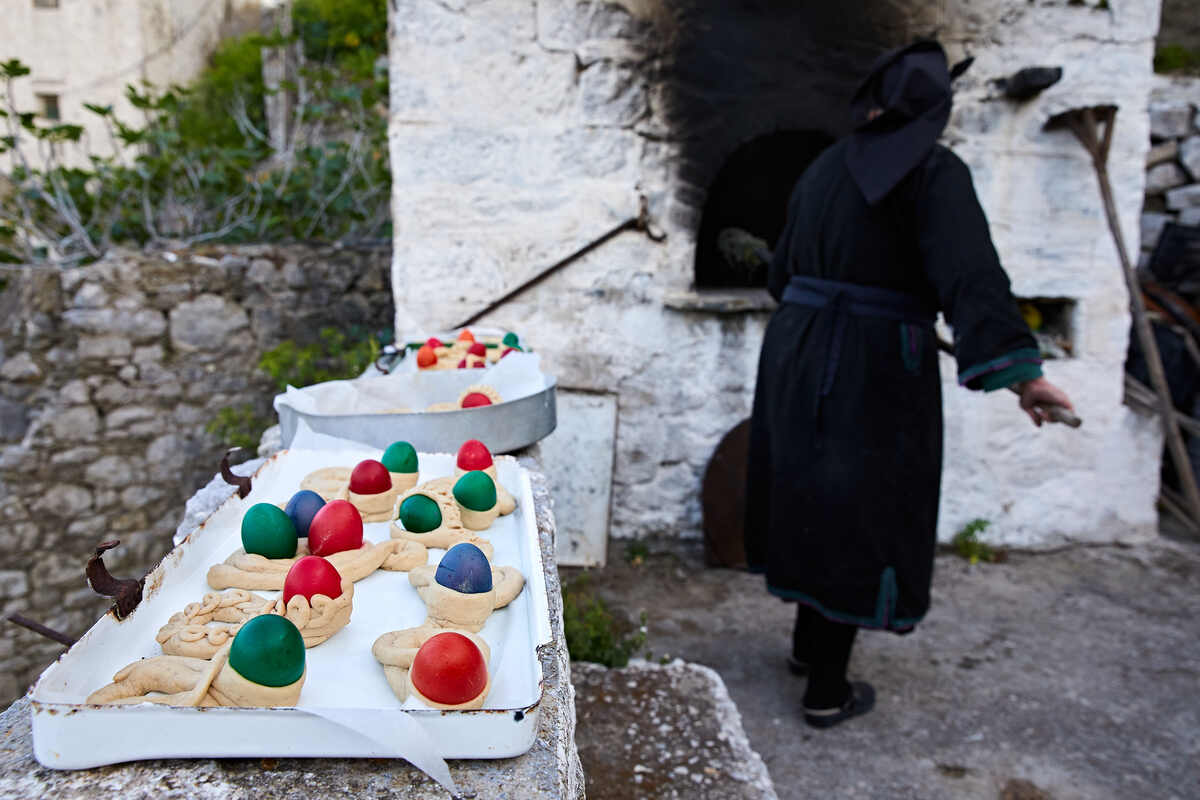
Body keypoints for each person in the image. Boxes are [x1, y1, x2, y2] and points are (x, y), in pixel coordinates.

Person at [743, 40, 1075, 729]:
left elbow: (781, 278)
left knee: (816, 493)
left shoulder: (825, 166)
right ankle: (827, 691)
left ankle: (810, 650)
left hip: (796, 353)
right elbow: (972, 276)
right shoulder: (933, 171)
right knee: (862, 509)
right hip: (873, 364)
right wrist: (1023, 374)